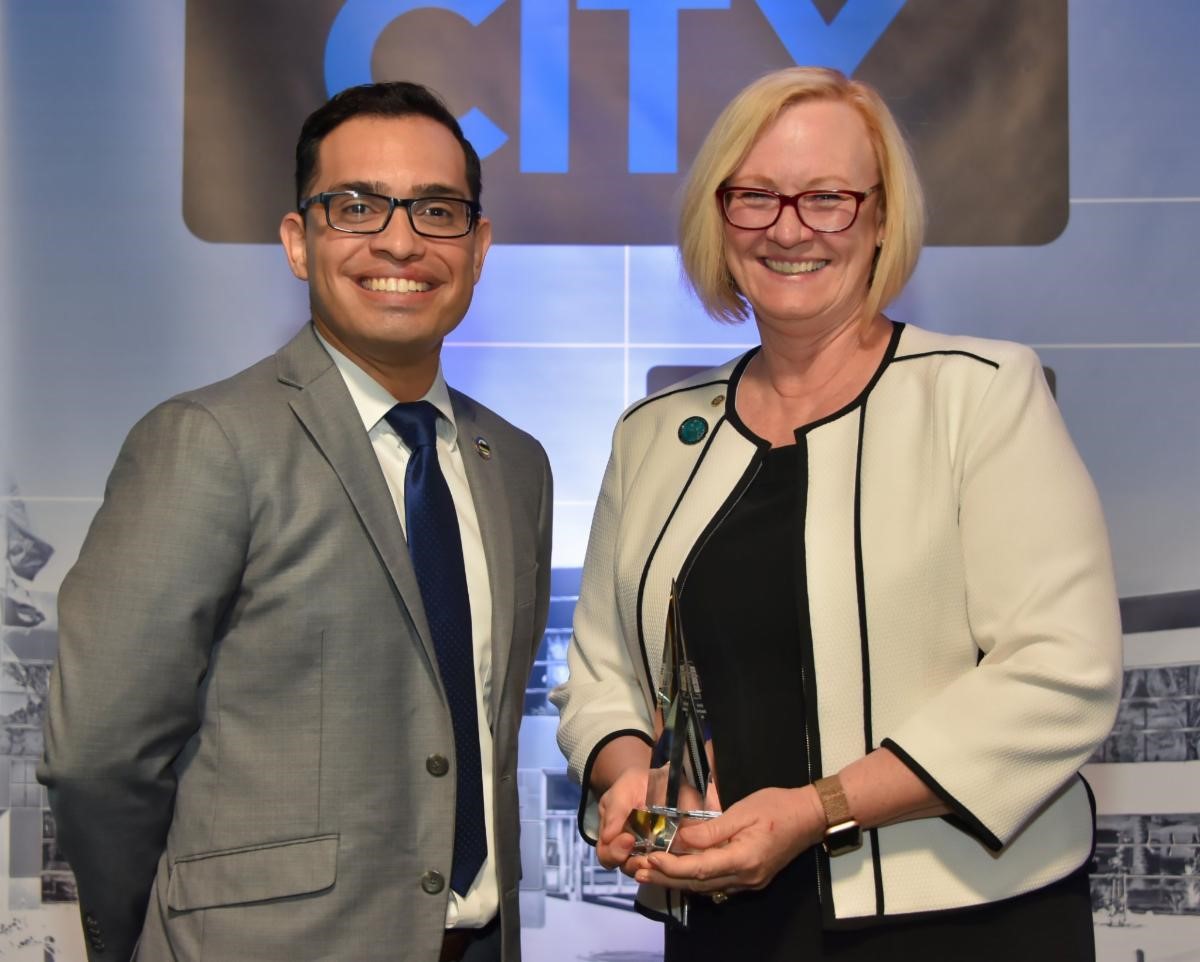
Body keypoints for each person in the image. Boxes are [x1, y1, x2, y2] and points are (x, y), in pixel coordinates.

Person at [551, 66, 1121, 961]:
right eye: (757, 197)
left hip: (965, 920)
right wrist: (632, 781)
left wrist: (820, 809)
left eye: (827, 197)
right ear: (718, 215)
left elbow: (1061, 673)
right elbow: (600, 672)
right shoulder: (654, 433)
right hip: (727, 922)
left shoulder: (983, 394)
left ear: (883, 215)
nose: (789, 228)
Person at [38, 82, 552, 962]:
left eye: (436, 210)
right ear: (297, 241)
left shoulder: (517, 465)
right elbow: (98, 753)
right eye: (356, 206)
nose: (400, 239)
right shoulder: (207, 442)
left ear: (477, 247)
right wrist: (156, 931)